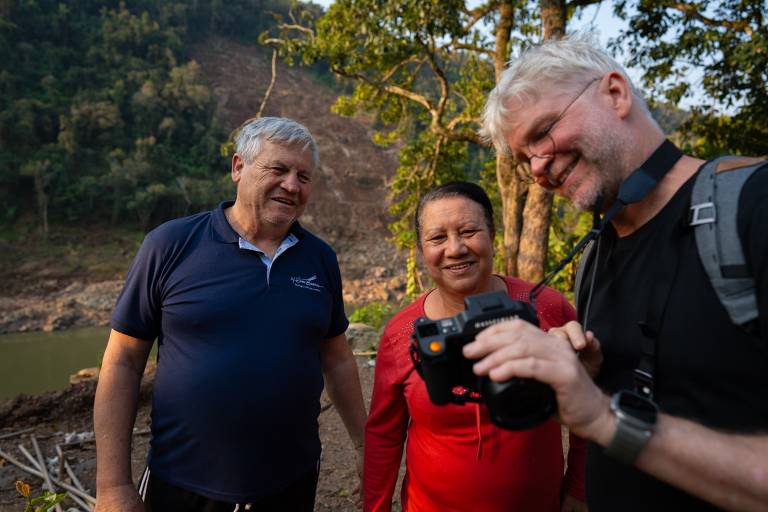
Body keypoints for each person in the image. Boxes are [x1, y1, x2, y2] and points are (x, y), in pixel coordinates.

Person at [468, 34, 768, 511]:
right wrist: (585, 377)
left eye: (544, 131)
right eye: (525, 159)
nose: (540, 167)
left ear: (615, 93)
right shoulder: (594, 259)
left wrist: (606, 417)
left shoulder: (752, 206)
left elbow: (607, 421)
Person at [93, 117, 367, 512]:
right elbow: (122, 361)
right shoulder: (171, 245)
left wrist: (362, 446)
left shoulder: (319, 258)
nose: (292, 185)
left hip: (291, 483)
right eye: (278, 169)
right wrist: (112, 485)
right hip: (182, 483)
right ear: (238, 167)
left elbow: (338, 359)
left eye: (304, 176)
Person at [363, 181, 587, 512]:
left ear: (492, 234)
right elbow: (384, 435)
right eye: (438, 238)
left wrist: (579, 490)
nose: (455, 249)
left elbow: (588, 399)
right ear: (421, 249)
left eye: (468, 231)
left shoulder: (545, 308)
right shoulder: (404, 333)